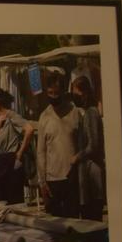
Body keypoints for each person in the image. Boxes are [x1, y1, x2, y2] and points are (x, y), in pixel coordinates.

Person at [37, 71, 80, 218]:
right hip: (52, 180)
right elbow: (41, 152)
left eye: (56, 92)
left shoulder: (74, 112)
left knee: (73, 224)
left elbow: (82, 144)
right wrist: (42, 182)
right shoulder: (44, 117)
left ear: (62, 91)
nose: (53, 96)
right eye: (50, 92)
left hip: (72, 177)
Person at [0, 88, 35, 204]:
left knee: (13, 202)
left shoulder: (12, 116)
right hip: (0, 163)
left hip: (10, 162)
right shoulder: (0, 121)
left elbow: (29, 129)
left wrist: (19, 153)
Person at [71, 76, 106, 221]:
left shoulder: (91, 113)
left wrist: (77, 157)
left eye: (75, 92)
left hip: (92, 173)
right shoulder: (86, 112)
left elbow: (93, 145)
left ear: (83, 93)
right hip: (88, 172)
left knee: (91, 216)